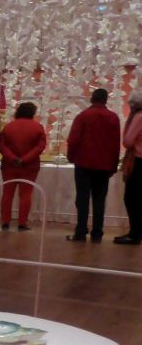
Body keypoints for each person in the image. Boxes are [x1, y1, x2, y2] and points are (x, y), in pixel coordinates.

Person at [66, 88, 121, 242]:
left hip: (84, 162)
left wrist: (71, 157)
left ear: (92, 99)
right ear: (105, 100)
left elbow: (73, 140)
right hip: (104, 165)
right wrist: (113, 165)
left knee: (82, 198)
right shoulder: (113, 118)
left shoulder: (83, 116)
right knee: (99, 199)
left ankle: (81, 231)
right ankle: (97, 232)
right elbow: (116, 144)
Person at [0, 102, 47, 231]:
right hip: (29, 166)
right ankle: (22, 223)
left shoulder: (8, 127)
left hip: (9, 165)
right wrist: (25, 159)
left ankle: (5, 222)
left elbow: (1, 145)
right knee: (26, 194)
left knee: (7, 193)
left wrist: (13, 158)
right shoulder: (37, 127)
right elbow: (40, 147)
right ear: (32, 113)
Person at [115, 89, 142, 245]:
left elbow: (128, 141)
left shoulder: (138, 117)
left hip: (139, 161)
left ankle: (135, 233)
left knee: (132, 198)